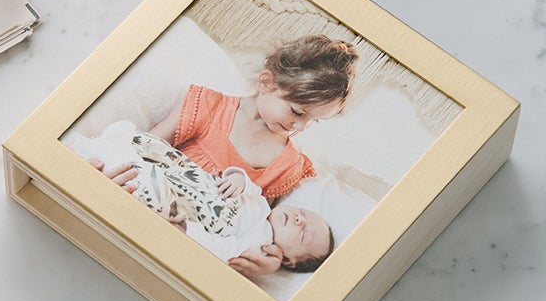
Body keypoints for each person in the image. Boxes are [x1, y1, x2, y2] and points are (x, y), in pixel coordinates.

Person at [95, 34, 356, 277]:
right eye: (298, 112)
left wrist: (266, 262)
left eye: (314, 121)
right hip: (148, 197)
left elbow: (252, 221)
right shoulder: (207, 106)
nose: (300, 127)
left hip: (185, 236)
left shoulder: (288, 166)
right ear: (266, 82)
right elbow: (146, 147)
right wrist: (117, 174)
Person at [79, 123, 334, 279]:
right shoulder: (262, 204)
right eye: (303, 213)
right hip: (196, 182)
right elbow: (248, 186)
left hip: (191, 213)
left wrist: (188, 233)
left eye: (303, 234)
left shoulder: (260, 245)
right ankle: (127, 143)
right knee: (168, 157)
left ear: (288, 260)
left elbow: (222, 250)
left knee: (154, 189)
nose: (300, 219)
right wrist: (237, 178)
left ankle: (113, 150)